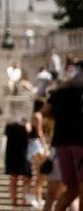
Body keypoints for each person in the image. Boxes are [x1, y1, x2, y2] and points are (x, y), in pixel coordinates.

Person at [42, 66, 83, 211]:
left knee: (72, 188)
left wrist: (62, 117)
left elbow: (45, 111)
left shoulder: (62, 88)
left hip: (61, 143)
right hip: (80, 142)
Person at [3, 117, 33, 206]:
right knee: (23, 178)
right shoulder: (22, 123)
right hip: (21, 153)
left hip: (13, 153)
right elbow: (29, 132)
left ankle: (16, 201)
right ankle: (21, 201)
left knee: (15, 178)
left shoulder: (10, 123)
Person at [29, 99, 48, 208]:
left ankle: (38, 197)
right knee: (42, 174)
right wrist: (45, 145)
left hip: (32, 145)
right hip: (37, 145)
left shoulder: (32, 115)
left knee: (39, 173)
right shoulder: (38, 115)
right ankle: (37, 197)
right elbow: (39, 132)